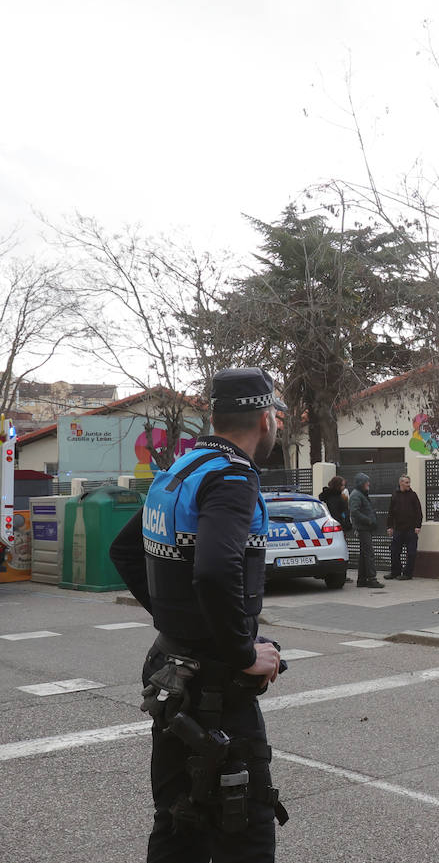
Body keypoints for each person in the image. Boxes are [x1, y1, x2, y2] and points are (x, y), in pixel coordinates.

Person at [109, 367, 289, 862]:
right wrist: (239, 651)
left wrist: (178, 624)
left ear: (214, 415)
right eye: (276, 415)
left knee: (179, 820)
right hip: (215, 687)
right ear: (264, 418)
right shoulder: (234, 476)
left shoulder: (179, 471)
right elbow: (214, 571)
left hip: (171, 674)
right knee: (245, 828)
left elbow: (124, 551)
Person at [385, 475, 423, 581]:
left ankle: (407, 573)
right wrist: (390, 526)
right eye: (406, 483)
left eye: (409, 483)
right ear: (401, 483)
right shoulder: (395, 495)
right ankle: (395, 572)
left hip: (411, 529)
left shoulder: (413, 495)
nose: (408, 485)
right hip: (398, 529)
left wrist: (418, 526)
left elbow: (418, 512)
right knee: (394, 551)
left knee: (411, 553)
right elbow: (391, 512)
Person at [348, 473, 382, 588]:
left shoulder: (360, 494)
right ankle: (372, 579)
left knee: (364, 555)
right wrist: (368, 520)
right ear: (361, 483)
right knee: (369, 554)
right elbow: (355, 512)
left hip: (365, 528)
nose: (369, 484)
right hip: (363, 528)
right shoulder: (356, 495)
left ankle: (362, 579)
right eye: (367, 482)